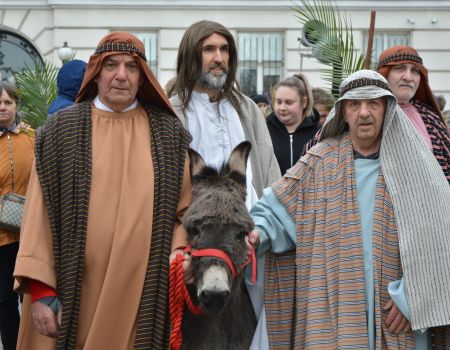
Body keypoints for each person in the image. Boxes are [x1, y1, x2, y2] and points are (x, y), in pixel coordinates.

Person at [13, 32, 192, 350]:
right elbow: (37, 215)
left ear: (143, 76)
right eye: (111, 65)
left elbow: (184, 210)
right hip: (71, 294)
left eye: (131, 67)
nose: (121, 75)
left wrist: (180, 253)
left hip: (143, 296)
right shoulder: (60, 132)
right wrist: (41, 293)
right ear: (96, 72)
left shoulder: (168, 134)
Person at [250, 70, 450, 349]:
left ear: (387, 109)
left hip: (396, 315)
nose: (364, 113)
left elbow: (441, 234)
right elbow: (276, 211)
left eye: (373, 104)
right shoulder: (320, 161)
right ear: (343, 112)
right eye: (354, 105)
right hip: (333, 309)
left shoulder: (414, 164)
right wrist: (255, 234)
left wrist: (412, 298)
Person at [169, 20, 280, 349]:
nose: (218, 57)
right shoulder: (171, 111)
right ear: (192, 55)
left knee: (252, 330)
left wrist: (264, 225)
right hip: (193, 243)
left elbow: (268, 173)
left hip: (250, 239)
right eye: (208, 50)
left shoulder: (247, 109)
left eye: (224, 49)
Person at [377, 45, 450, 183]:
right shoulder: (367, 115)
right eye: (399, 69)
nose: (408, 77)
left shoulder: (432, 119)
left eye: (415, 71)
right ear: (384, 74)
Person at [0, 82, 34, 350]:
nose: (3, 107)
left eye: (8, 102)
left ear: (16, 106)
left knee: (31, 296)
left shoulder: (31, 137)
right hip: (0, 238)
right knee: (4, 300)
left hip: (30, 232)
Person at [266, 74, 320, 174]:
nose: (282, 107)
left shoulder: (318, 134)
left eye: (288, 102)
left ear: (304, 102)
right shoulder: (264, 132)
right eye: (278, 102)